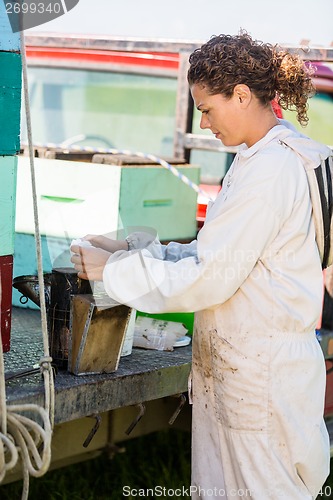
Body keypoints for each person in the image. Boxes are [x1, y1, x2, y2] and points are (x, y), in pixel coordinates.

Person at [71, 32, 332, 499]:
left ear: (242, 95)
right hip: (251, 367)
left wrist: (113, 274)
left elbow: (210, 278)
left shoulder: (272, 170)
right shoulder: (259, 157)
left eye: (207, 109)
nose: (204, 122)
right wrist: (129, 252)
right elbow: (218, 254)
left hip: (261, 378)